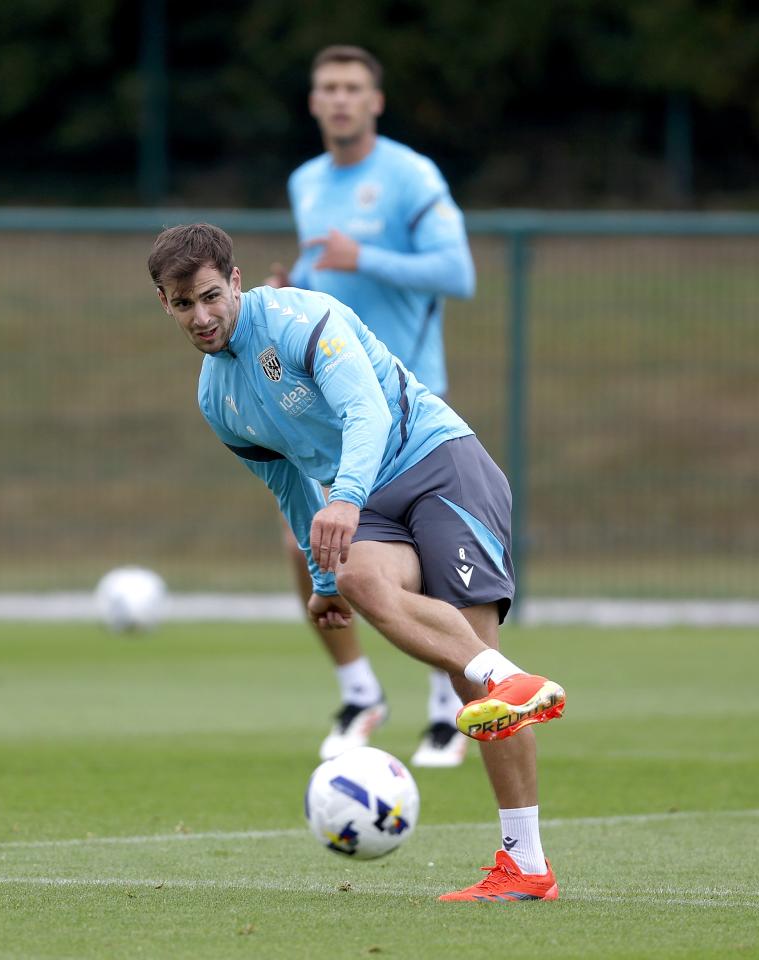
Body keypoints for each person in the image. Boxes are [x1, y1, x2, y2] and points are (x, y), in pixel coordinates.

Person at [148, 223, 567, 902]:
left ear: (235, 279)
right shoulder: (213, 397)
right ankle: (508, 689)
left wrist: (343, 498)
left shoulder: (304, 318)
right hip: (366, 499)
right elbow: (285, 482)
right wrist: (321, 581)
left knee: (475, 686)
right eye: (181, 303)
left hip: (439, 467)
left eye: (208, 296)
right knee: (357, 579)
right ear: (163, 304)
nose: (201, 316)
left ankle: (523, 854)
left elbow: (366, 412)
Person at [265, 45, 478, 768]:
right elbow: (330, 285)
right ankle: (360, 693)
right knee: (307, 544)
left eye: (354, 87)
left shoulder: (411, 175)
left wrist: (368, 258)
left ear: (376, 101)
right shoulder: (306, 181)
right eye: (328, 87)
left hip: (408, 404)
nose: (341, 99)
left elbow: (458, 272)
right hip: (328, 407)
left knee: (422, 563)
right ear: (314, 101)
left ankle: (449, 708)